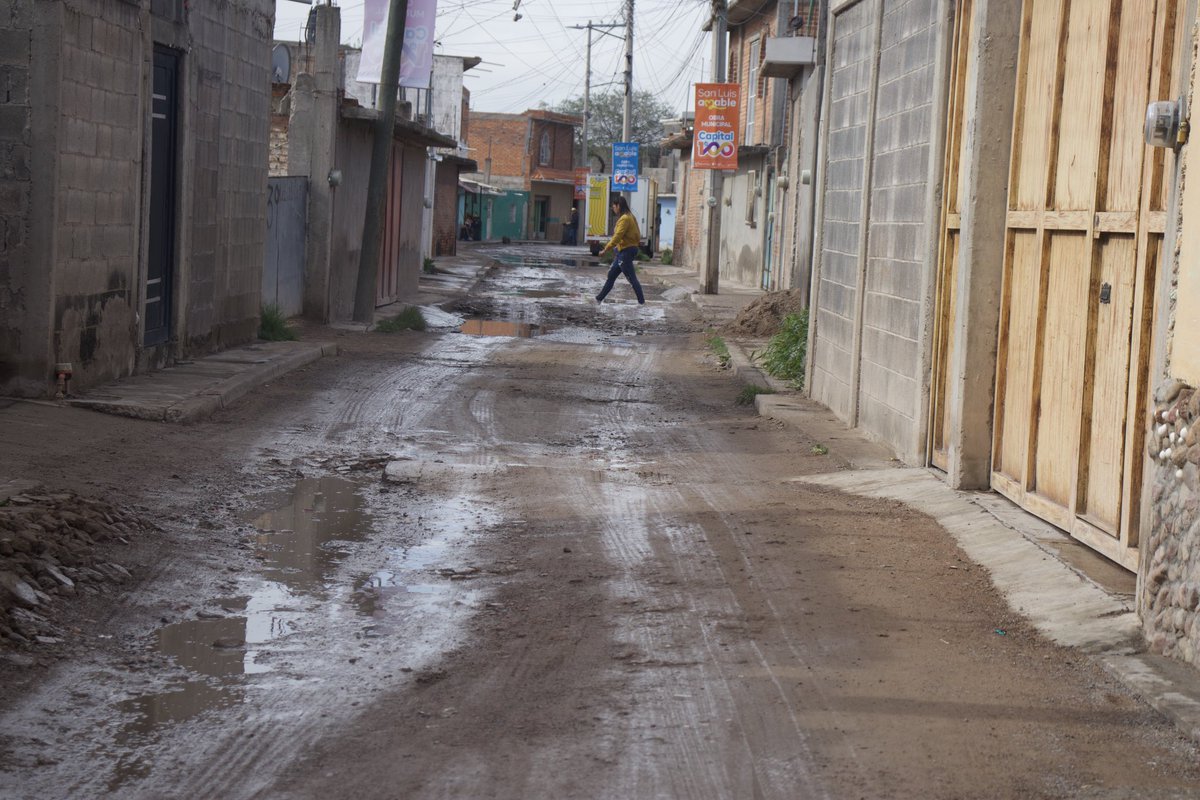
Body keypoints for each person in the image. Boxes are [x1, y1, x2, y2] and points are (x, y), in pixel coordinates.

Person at [596, 197, 645, 305]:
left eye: (614, 206)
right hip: (622, 251)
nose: (613, 208)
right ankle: (599, 298)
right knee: (611, 276)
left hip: (626, 252)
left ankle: (642, 303)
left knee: (632, 278)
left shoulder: (625, 218)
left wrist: (606, 249)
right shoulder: (630, 216)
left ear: (619, 206)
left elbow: (617, 236)